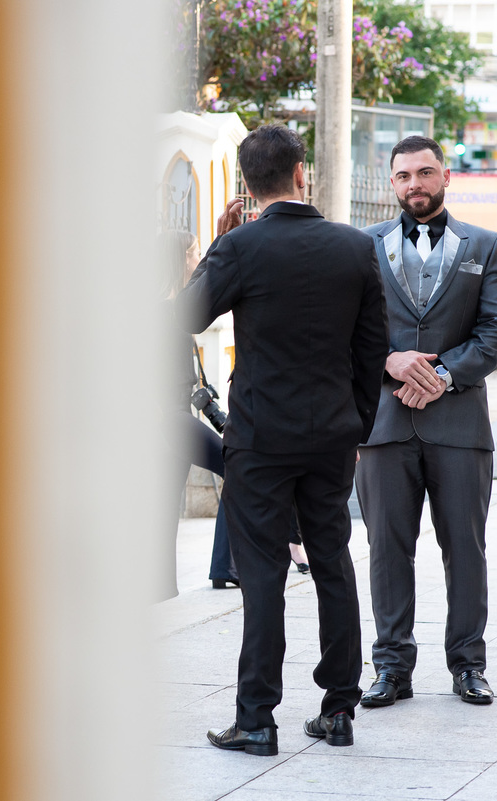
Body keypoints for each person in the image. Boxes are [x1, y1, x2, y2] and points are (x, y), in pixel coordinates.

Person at [178, 124, 388, 756]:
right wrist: (356, 424)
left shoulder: (238, 248)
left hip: (260, 437)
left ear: (246, 183)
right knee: (332, 561)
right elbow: (372, 346)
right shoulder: (355, 248)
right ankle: (339, 708)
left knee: (264, 573)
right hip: (332, 436)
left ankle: (256, 718)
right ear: (303, 174)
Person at [356, 135, 497, 708]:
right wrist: (387, 361)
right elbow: (339, 330)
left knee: (465, 549)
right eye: (403, 176)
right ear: (391, 184)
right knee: (386, 550)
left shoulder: (485, 244)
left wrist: (442, 375)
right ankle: (391, 668)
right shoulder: (362, 246)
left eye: (425, 173)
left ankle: (469, 666)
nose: (415, 185)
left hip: (459, 425)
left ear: (445, 176)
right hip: (382, 425)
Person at [159, 230, 237, 597]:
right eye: (194, 254)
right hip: (168, 420)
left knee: (164, 508)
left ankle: (162, 591)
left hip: (171, 417)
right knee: (237, 466)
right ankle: (225, 565)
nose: (197, 259)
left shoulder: (172, 307)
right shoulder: (167, 310)